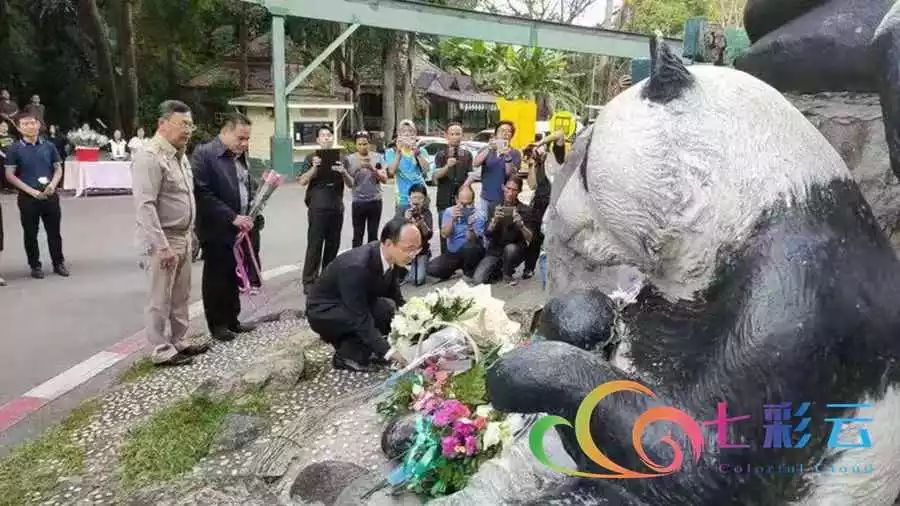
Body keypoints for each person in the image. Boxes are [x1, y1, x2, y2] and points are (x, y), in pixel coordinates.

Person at [132, 99, 209, 366]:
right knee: (159, 297)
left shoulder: (180, 154)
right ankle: (161, 349)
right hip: (162, 237)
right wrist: (161, 245)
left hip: (184, 235)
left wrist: (192, 231)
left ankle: (180, 340)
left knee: (181, 294)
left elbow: (185, 197)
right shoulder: (149, 156)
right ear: (163, 124)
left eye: (190, 124)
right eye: (182, 124)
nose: (188, 130)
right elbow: (145, 206)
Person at [306, 218, 419, 372]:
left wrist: (417, 318)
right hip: (324, 311)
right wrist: (388, 351)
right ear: (388, 243)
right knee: (369, 317)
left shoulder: (391, 257)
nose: (412, 254)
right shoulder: (356, 267)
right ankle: (346, 356)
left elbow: (395, 295)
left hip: (352, 303)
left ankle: (366, 348)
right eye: (408, 249)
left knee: (387, 309)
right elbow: (359, 316)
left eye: (417, 249)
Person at [192, 113, 262, 342]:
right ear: (225, 131)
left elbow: (245, 186)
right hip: (217, 227)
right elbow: (202, 193)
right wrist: (231, 216)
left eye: (247, 139)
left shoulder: (239, 156)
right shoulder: (205, 155)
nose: (244, 144)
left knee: (234, 274)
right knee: (216, 276)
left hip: (240, 227)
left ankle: (233, 319)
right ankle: (217, 323)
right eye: (240, 138)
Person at [3, 112, 69, 279]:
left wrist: (53, 185)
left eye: (32, 123)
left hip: (49, 194)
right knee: (30, 233)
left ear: (39, 125)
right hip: (28, 197)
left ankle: (58, 262)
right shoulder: (14, 149)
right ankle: (35, 265)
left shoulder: (49, 146)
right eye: (25, 124)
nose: (30, 126)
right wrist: (30, 191)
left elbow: (58, 168)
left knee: (54, 231)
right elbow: (10, 174)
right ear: (19, 128)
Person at [299, 125, 354, 294]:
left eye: (329, 135)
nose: (326, 138)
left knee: (333, 244)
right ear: (317, 140)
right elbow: (302, 181)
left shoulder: (342, 158)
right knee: (315, 244)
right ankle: (309, 280)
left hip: (336, 206)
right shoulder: (311, 158)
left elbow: (352, 184)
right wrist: (315, 167)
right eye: (323, 136)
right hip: (317, 206)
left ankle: (328, 277)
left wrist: (343, 172)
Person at [473, 176, 535, 285]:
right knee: (478, 279)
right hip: (495, 250)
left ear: (519, 191)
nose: (510, 193)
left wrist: (521, 225)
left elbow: (530, 238)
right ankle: (499, 270)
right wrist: (494, 221)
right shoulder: (494, 206)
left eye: (514, 190)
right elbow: (487, 235)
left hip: (515, 250)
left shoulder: (525, 210)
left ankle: (507, 273)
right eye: (508, 188)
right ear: (503, 188)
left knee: (510, 249)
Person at [523, 130, 566, 279]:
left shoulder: (556, 156)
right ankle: (528, 268)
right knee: (536, 238)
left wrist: (540, 143)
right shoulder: (536, 163)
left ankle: (557, 272)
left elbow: (560, 135)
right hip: (539, 204)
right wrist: (532, 165)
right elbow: (532, 185)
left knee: (556, 238)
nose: (537, 150)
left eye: (540, 144)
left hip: (555, 204)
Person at [427, 185, 486, 281]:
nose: (465, 207)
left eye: (469, 204)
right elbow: (444, 234)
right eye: (462, 204)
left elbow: (472, 240)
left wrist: (470, 226)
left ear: (473, 201)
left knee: (469, 247)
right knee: (431, 268)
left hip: (472, 251)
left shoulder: (479, 214)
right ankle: (456, 268)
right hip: (453, 253)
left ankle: (469, 272)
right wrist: (452, 220)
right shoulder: (449, 212)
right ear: (456, 200)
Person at [433, 122, 473, 254]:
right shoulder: (441, 155)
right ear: (446, 136)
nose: (455, 137)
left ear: (462, 136)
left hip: (463, 201)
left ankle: (462, 261)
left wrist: (466, 187)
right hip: (444, 199)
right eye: (452, 134)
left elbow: (470, 175)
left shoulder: (467, 155)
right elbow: (436, 176)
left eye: (458, 134)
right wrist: (447, 166)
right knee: (445, 233)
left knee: (462, 230)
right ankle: (445, 261)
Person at [471, 121, 521, 219]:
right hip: (486, 196)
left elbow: (509, 173)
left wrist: (507, 156)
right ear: (496, 134)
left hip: (505, 199)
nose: (505, 134)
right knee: (484, 225)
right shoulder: (487, 149)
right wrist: (489, 148)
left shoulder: (515, 153)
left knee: (499, 226)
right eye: (502, 131)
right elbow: (475, 163)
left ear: (512, 135)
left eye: (509, 131)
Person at [347, 131, 386, 247]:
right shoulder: (350, 159)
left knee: (373, 236)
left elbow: (384, 179)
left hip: (375, 200)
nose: (362, 147)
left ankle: (372, 261)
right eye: (359, 144)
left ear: (369, 144)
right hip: (358, 201)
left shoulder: (377, 157)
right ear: (355, 145)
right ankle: (356, 262)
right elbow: (350, 182)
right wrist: (358, 168)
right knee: (357, 235)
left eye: (365, 144)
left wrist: (372, 168)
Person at [385, 119, 429, 212]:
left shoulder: (421, 151)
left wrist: (417, 153)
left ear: (415, 134)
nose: (407, 134)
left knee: (421, 224)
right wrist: (398, 153)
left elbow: (426, 170)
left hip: (421, 196)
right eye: (403, 131)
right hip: (403, 198)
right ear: (398, 134)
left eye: (410, 131)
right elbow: (391, 172)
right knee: (402, 224)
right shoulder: (391, 152)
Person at [396, 184, 433, 286]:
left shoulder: (427, 213)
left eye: (420, 198)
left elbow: (429, 235)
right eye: (414, 197)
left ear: (424, 199)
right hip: (404, 249)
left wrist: (422, 223)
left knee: (418, 280)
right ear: (409, 198)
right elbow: (394, 232)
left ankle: (423, 260)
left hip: (421, 250)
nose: (416, 201)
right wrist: (405, 220)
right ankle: (404, 271)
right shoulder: (402, 210)